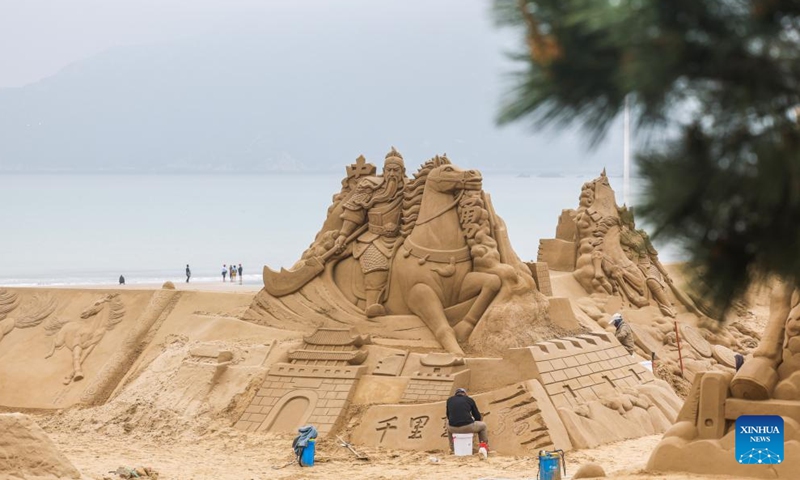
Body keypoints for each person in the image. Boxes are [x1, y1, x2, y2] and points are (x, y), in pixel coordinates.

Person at [333, 147, 408, 317]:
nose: (392, 174)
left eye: (396, 170)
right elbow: (354, 212)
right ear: (383, 171)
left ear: (403, 172)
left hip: (403, 237)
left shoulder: (410, 189)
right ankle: (372, 304)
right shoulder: (370, 186)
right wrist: (343, 234)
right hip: (374, 237)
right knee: (375, 262)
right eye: (389, 170)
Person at [446, 388, 488, 457]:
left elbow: (448, 415)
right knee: (483, 426)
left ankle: (452, 449)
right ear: (465, 394)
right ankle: (483, 447)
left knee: (448, 424)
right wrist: (475, 420)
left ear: (456, 394)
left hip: (453, 428)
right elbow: (477, 415)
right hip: (467, 427)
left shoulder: (449, 400)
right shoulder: (469, 400)